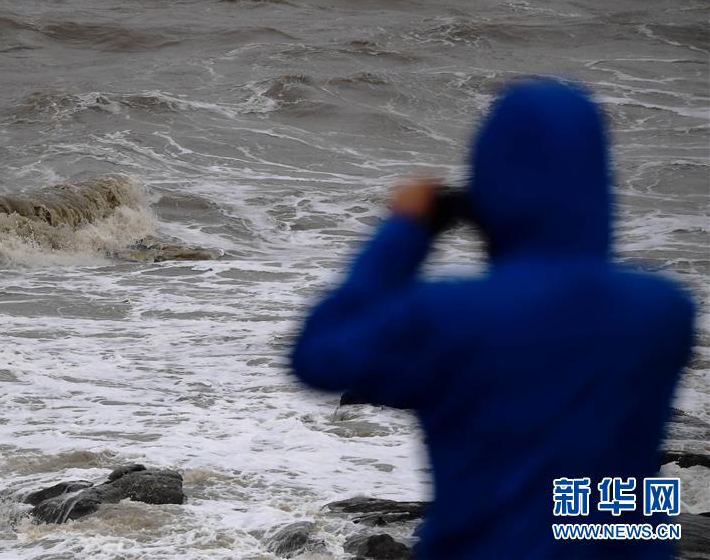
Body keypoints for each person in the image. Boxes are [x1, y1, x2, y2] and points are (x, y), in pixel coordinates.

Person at [290, 79, 695, 558]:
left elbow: (318, 356)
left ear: (491, 183)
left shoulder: (448, 315)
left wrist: (404, 233)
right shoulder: (663, 309)